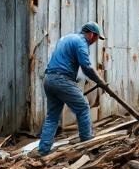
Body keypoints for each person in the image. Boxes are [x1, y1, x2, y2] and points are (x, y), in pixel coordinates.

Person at [38, 22, 108, 155]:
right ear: (92, 35)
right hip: (61, 79)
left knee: (52, 116)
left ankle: (43, 151)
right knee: (83, 107)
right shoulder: (81, 42)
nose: (95, 41)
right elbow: (86, 67)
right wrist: (100, 81)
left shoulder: (67, 38)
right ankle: (88, 145)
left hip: (49, 79)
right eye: (97, 38)